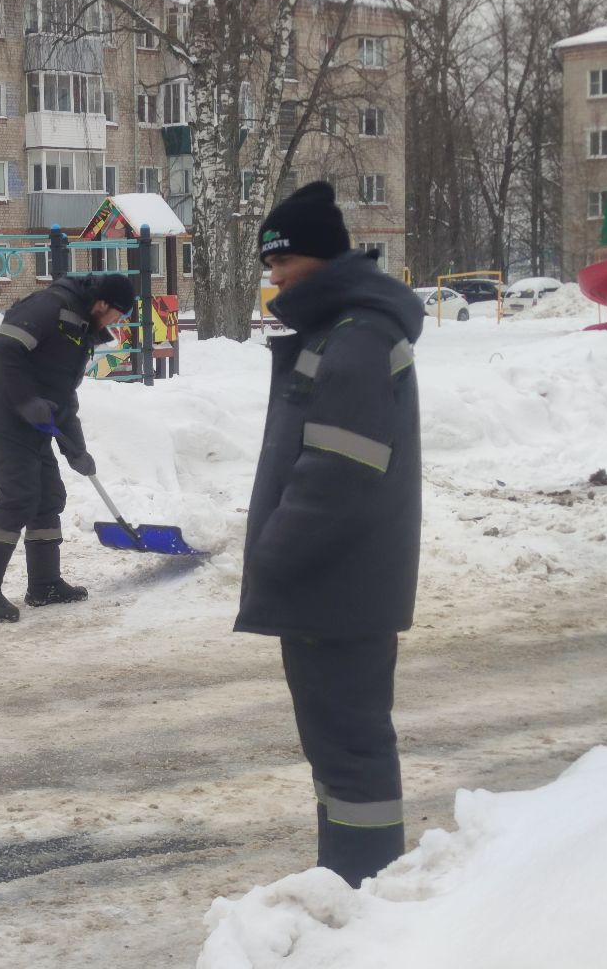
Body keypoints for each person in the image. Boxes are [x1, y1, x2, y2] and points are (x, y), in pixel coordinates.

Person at [236, 180, 424, 888]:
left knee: (350, 751)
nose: (276, 276)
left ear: (322, 257)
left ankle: (362, 889)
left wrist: (278, 551)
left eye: (284, 260)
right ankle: (351, 876)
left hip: (336, 583)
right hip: (334, 582)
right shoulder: (339, 331)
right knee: (340, 751)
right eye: (269, 264)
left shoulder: (357, 338)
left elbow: (340, 471)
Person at [0, 271, 137, 623]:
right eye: (119, 315)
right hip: (7, 417)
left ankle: (44, 584)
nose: (117, 323)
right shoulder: (50, 306)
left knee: (48, 498)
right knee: (19, 499)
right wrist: (26, 400)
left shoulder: (82, 326)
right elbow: (4, 347)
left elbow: (63, 393)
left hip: (36, 423)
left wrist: (76, 449)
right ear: (103, 304)